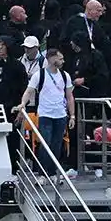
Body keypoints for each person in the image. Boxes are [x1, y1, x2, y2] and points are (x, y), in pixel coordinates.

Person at [22, 47, 76, 178]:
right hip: (45, 114)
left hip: (60, 115)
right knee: (45, 143)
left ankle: (52, 172)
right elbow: (29, 91)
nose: (62, 61)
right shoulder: (39, 75)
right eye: (60, 58)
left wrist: (72, 115)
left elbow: (69, 96)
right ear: (51, 59)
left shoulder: (65, 75)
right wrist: (23, 103)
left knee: (57, 144)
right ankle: (42, 173)